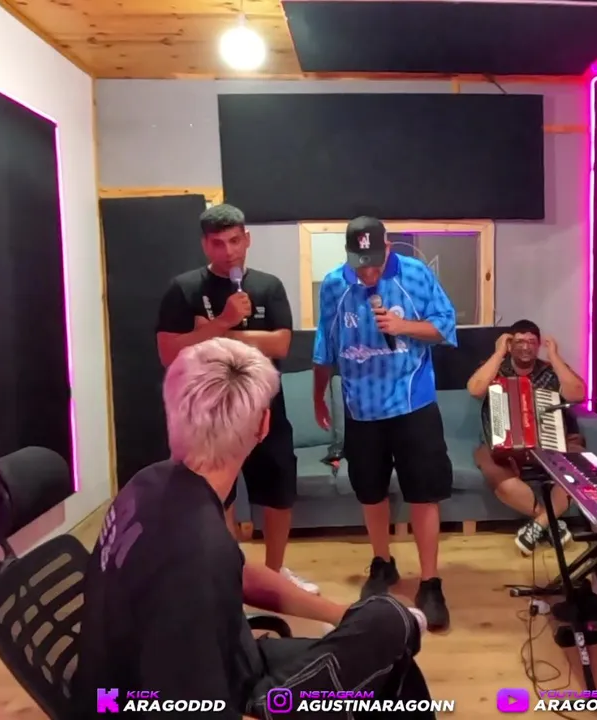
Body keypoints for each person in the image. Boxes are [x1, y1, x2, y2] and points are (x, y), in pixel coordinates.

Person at [74, 339, 433, 719]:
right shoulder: (196, 554)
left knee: (391, 655)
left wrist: (339, 614)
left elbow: (236, 573)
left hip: (217, 665)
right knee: (389, 625)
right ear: (263, 425)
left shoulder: (150, 484)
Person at [155, 204, 316, 594]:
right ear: (204, 245)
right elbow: (168, 352)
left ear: (247, 239)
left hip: (264, 408)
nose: (228, 251)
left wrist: (213, 333)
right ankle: (229, 576)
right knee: (216, 495)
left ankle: (274, 575)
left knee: (279, 492)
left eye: (234, 241)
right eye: (218, 243)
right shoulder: (184, 289)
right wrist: (225, 320)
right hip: (208, 414)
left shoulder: (268, 286)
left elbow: (281, 344)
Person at [312, 216, 457, 631]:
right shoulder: (335, 285)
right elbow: (326, 344)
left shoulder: (415, 274)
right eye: (360, 264)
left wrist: (403, 326)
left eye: (374, 262)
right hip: (361, 409)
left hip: (413, 404)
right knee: (370, 492)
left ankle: (430, 582)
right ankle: (382, 562)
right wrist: (318, 394)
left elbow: (445, 326)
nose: (368, 272)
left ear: (388, 246)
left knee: (424, 495)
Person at [467, 319, 587, 555]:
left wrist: (554, 357)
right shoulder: (497, 369)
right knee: (488, 461)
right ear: (510, 344)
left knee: (578, 462)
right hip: (506, 446)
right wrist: (498, 353)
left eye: (531, 342)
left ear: (538, 345)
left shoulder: (550, 371)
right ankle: (548, 522)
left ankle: (538, 525)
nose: (525, 347)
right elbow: (475, 389)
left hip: (551, 442)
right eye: (519, 341)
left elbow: (578, 394)